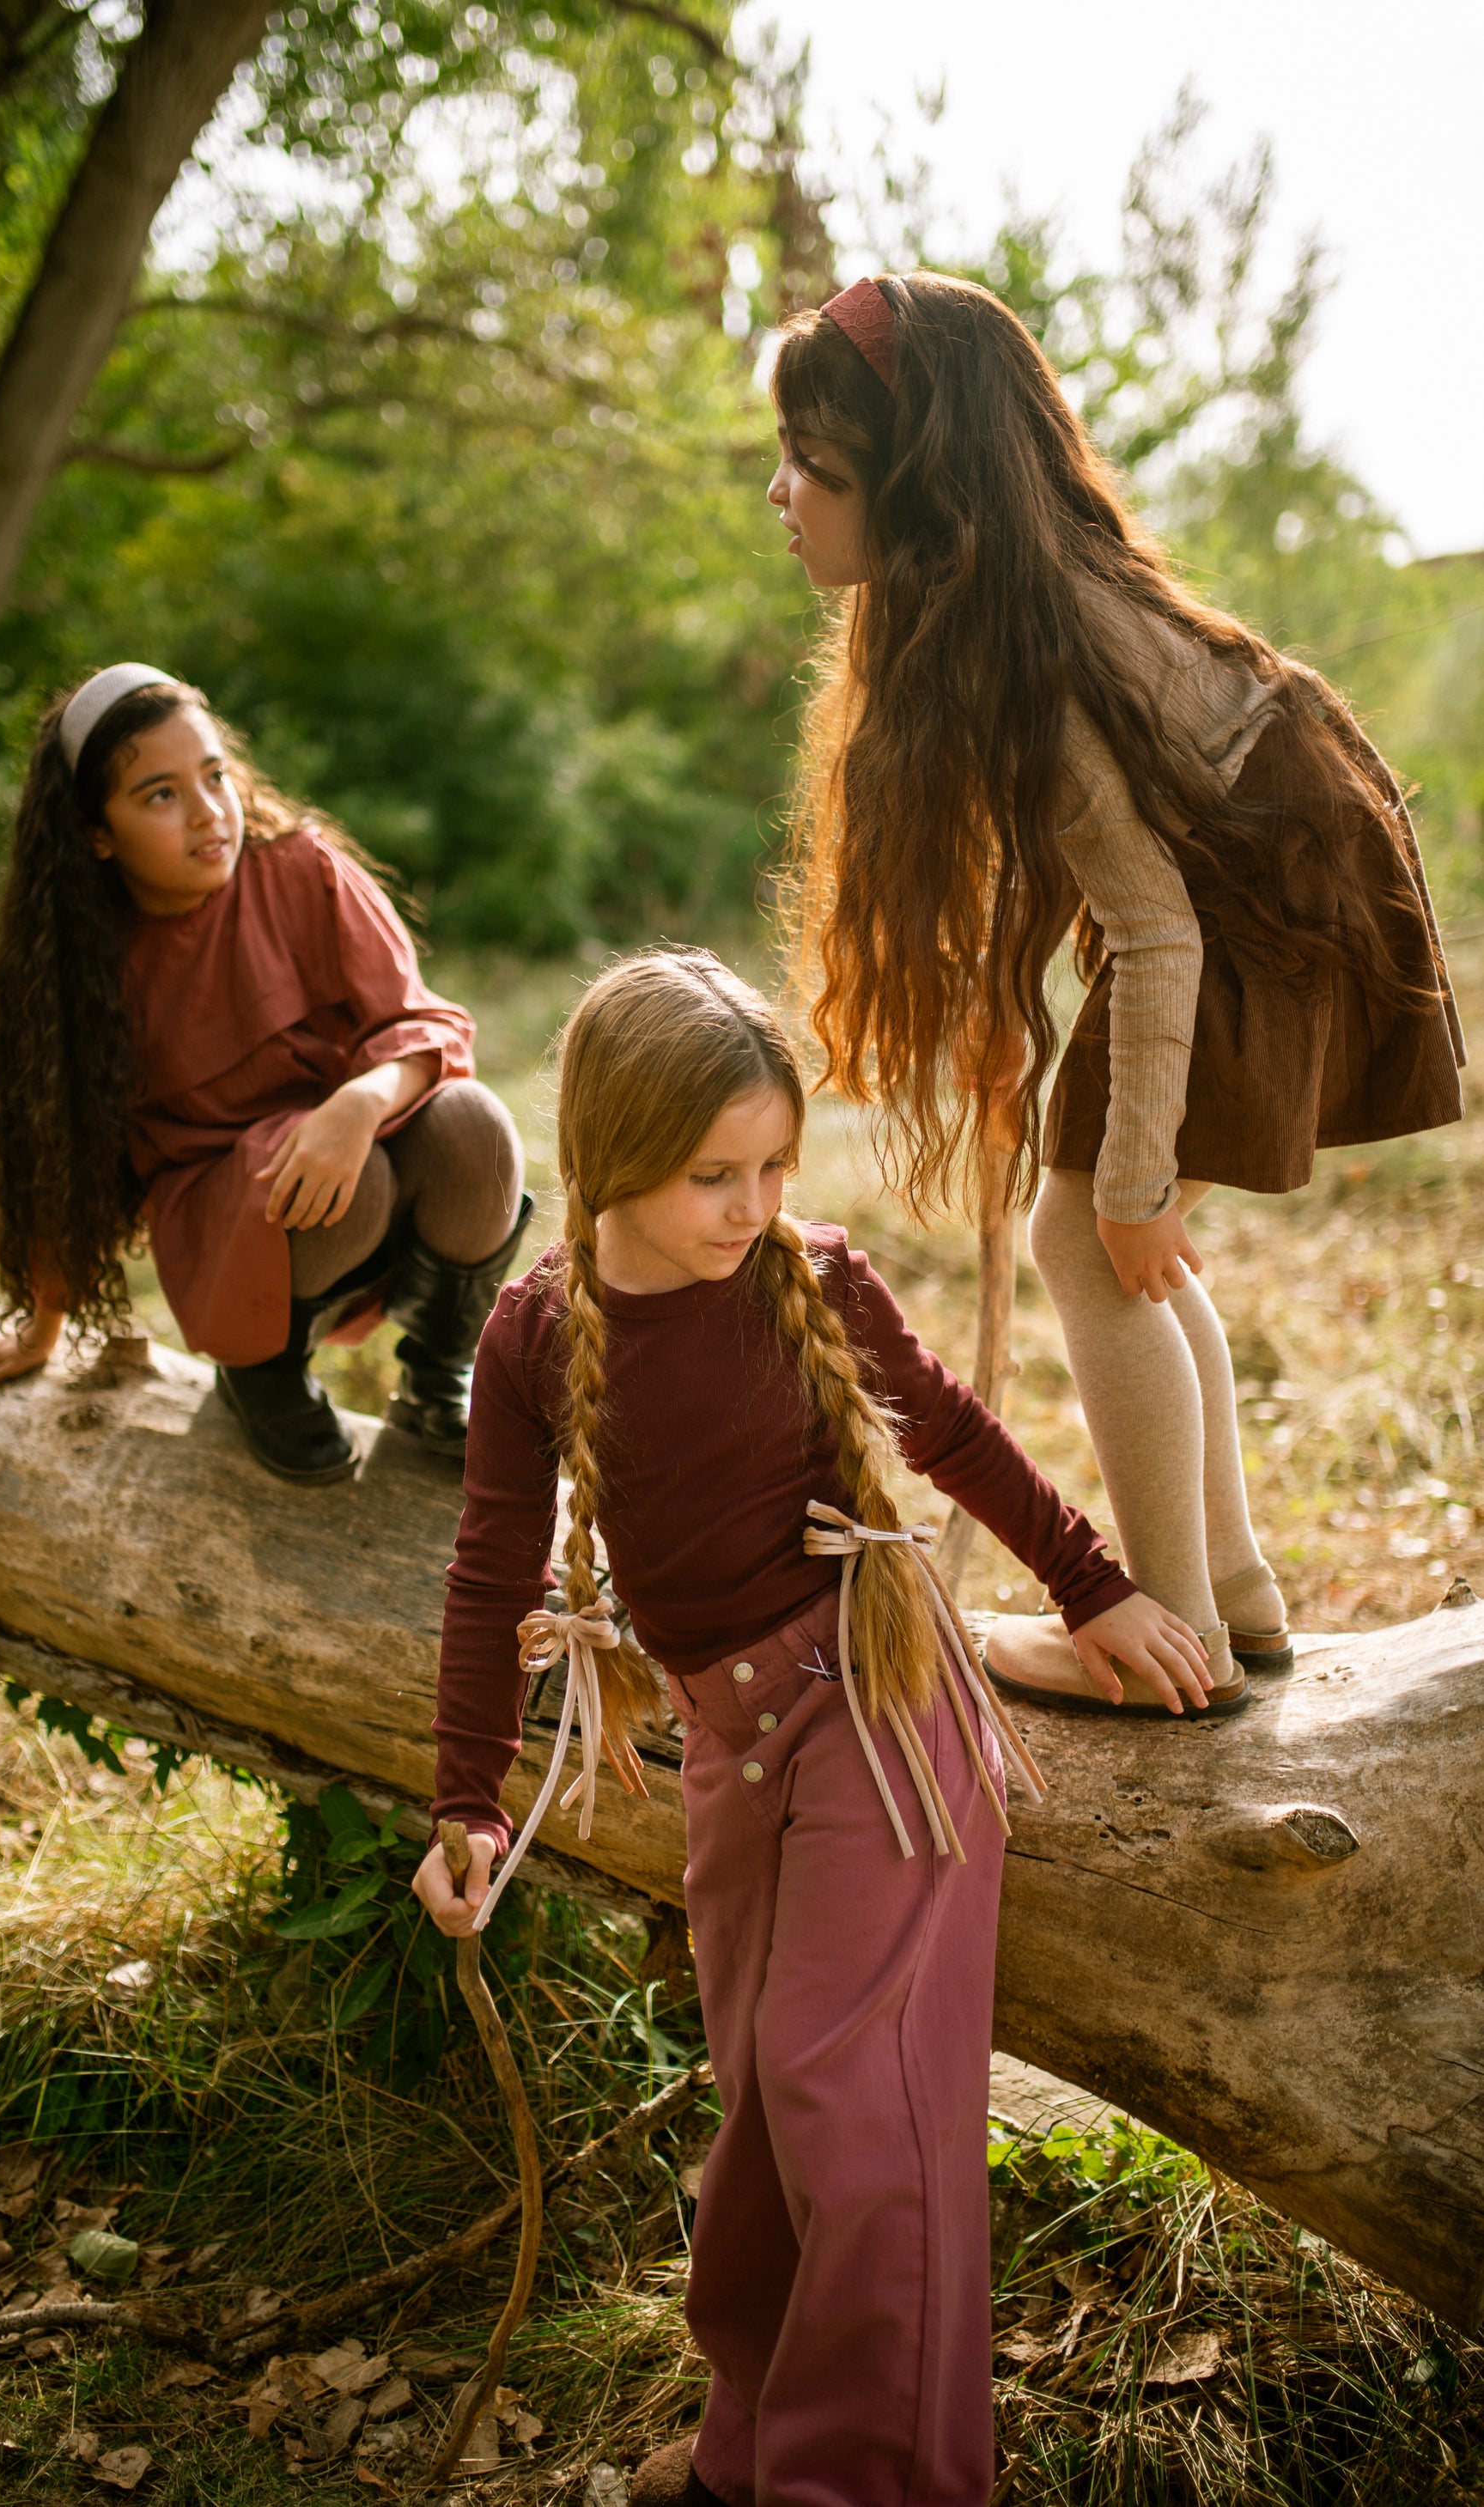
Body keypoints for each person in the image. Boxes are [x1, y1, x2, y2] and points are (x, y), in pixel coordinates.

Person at [413, 949, 1210, 2507]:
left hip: (881, 1713)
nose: (752, 1200)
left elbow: (952, 1430)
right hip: (731, 1743)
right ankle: (750, 2447)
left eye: (776, 1162)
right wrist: (471, 1797)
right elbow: (489, 1571)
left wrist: (1096, 1586)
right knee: (766, 2102)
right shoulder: (532, 1336)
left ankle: (861, 2479)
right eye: (715, 1172)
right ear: (607, 1157)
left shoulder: (811, 1277)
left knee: (861, 2109)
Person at [769, 272, 1464, 1711]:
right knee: (1104, 1233)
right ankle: (1237, 1595)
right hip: (1275, 881)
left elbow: (1158, 932)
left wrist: (1141, 1170)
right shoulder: (997, 606)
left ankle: (1178, 1627)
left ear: (916, 492)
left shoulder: (1034, 650)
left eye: (817, 470)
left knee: (1098, 1234)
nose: (783, 493)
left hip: (1264, 910)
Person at [0, 662, 530, 1475]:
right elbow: (58, 1160)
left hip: (356, 1149)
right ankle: (263, 1368)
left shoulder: (302, 869)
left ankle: (438, 1375)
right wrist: (40, 1330)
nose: (210, 812)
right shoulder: (84, 967)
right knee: (359, 1185)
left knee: (475, 1126)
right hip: (238, 1220)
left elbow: (420, 1024)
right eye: (161, 795)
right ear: (95, 833)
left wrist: (358, 1102)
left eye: (215, 776)